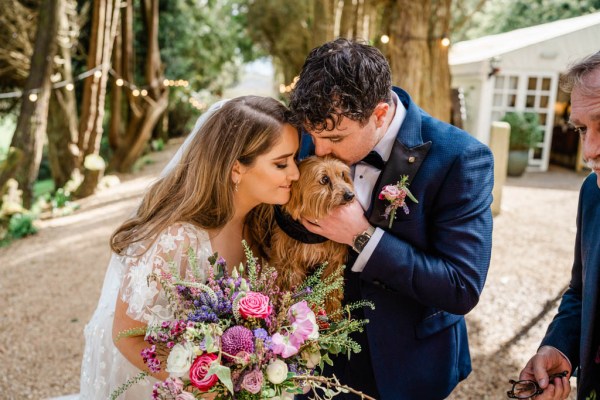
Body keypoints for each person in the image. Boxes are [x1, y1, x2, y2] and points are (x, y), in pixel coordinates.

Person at [289, 38, 494, 399]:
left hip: (406, 363)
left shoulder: (461, 158)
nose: (318, 151)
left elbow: (461, 286)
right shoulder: (311, 139)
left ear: (380, 114)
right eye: (313, 136)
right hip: (310, 356)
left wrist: (363, 236)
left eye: (335, 138)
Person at [79, 96, 300, 399]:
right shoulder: (175, 239)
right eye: (281, 163)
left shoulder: (265, 224)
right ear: (237, 168)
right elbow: (125, 335)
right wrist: (198, 385)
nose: (295, 174)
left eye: (295, 159)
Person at [518, 50, 600, 400]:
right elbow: (582, 293)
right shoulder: (592, 194)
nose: (589, 150)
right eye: (582, 130)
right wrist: (560, 348)